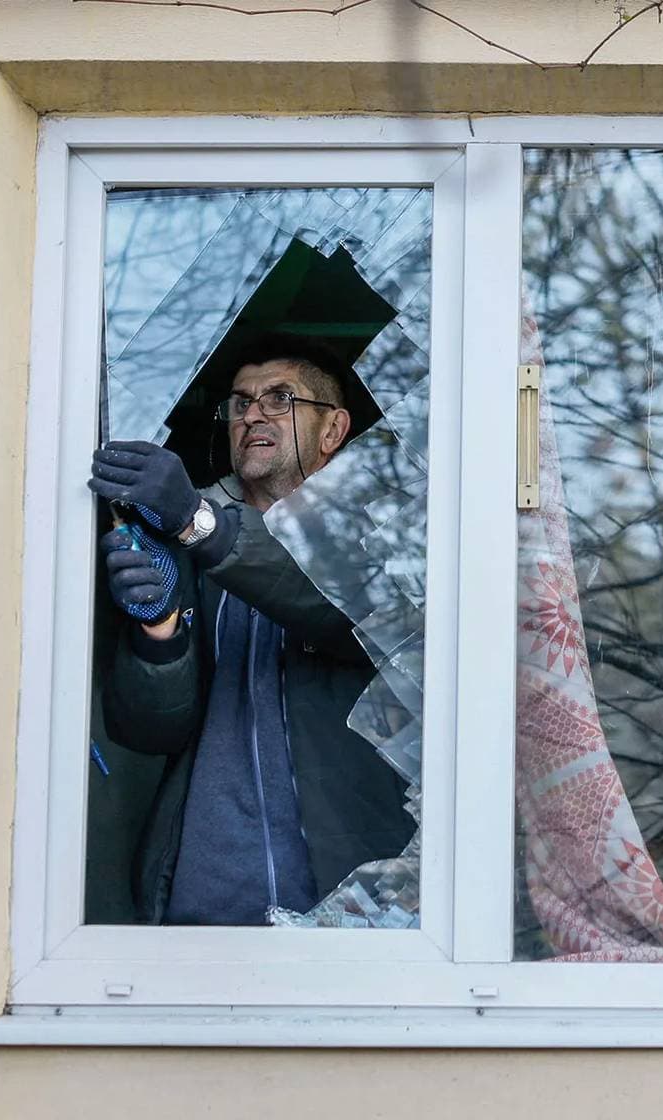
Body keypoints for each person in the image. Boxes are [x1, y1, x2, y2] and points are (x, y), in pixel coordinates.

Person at [89, 337, 414, 926]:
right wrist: (157, 635)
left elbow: (346, 617)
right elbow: (149, 729)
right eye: (239, 403)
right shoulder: (184, 550)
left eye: (280, 399)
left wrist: (198, 522)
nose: (253, 414)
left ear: (333, 429)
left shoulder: (381, 540)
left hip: (348, 907)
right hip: (201, 905)